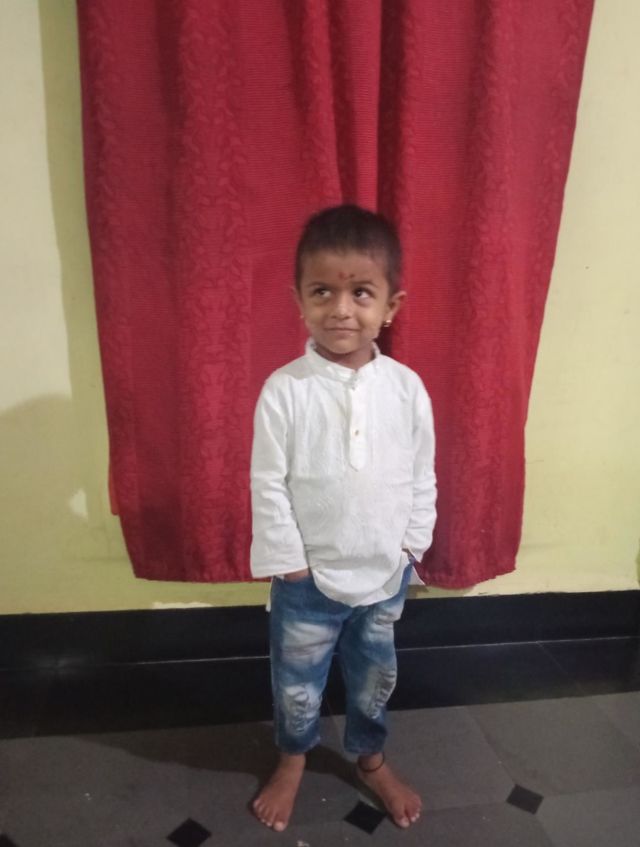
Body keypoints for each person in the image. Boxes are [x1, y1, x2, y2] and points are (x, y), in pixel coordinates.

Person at [249, 204, 437, 832]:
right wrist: (290, 564)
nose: (341, 309)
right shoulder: (285, 389)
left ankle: (371, 759)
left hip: (384, 575)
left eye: (361, 292)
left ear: (391, 305)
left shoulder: (406, 389)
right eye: (322, 291)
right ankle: (292, 760)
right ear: (298, 301)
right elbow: (268, 483)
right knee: (296, 683)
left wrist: (411, 547)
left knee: (374, 678)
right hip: (307, 580)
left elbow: (422, 473)